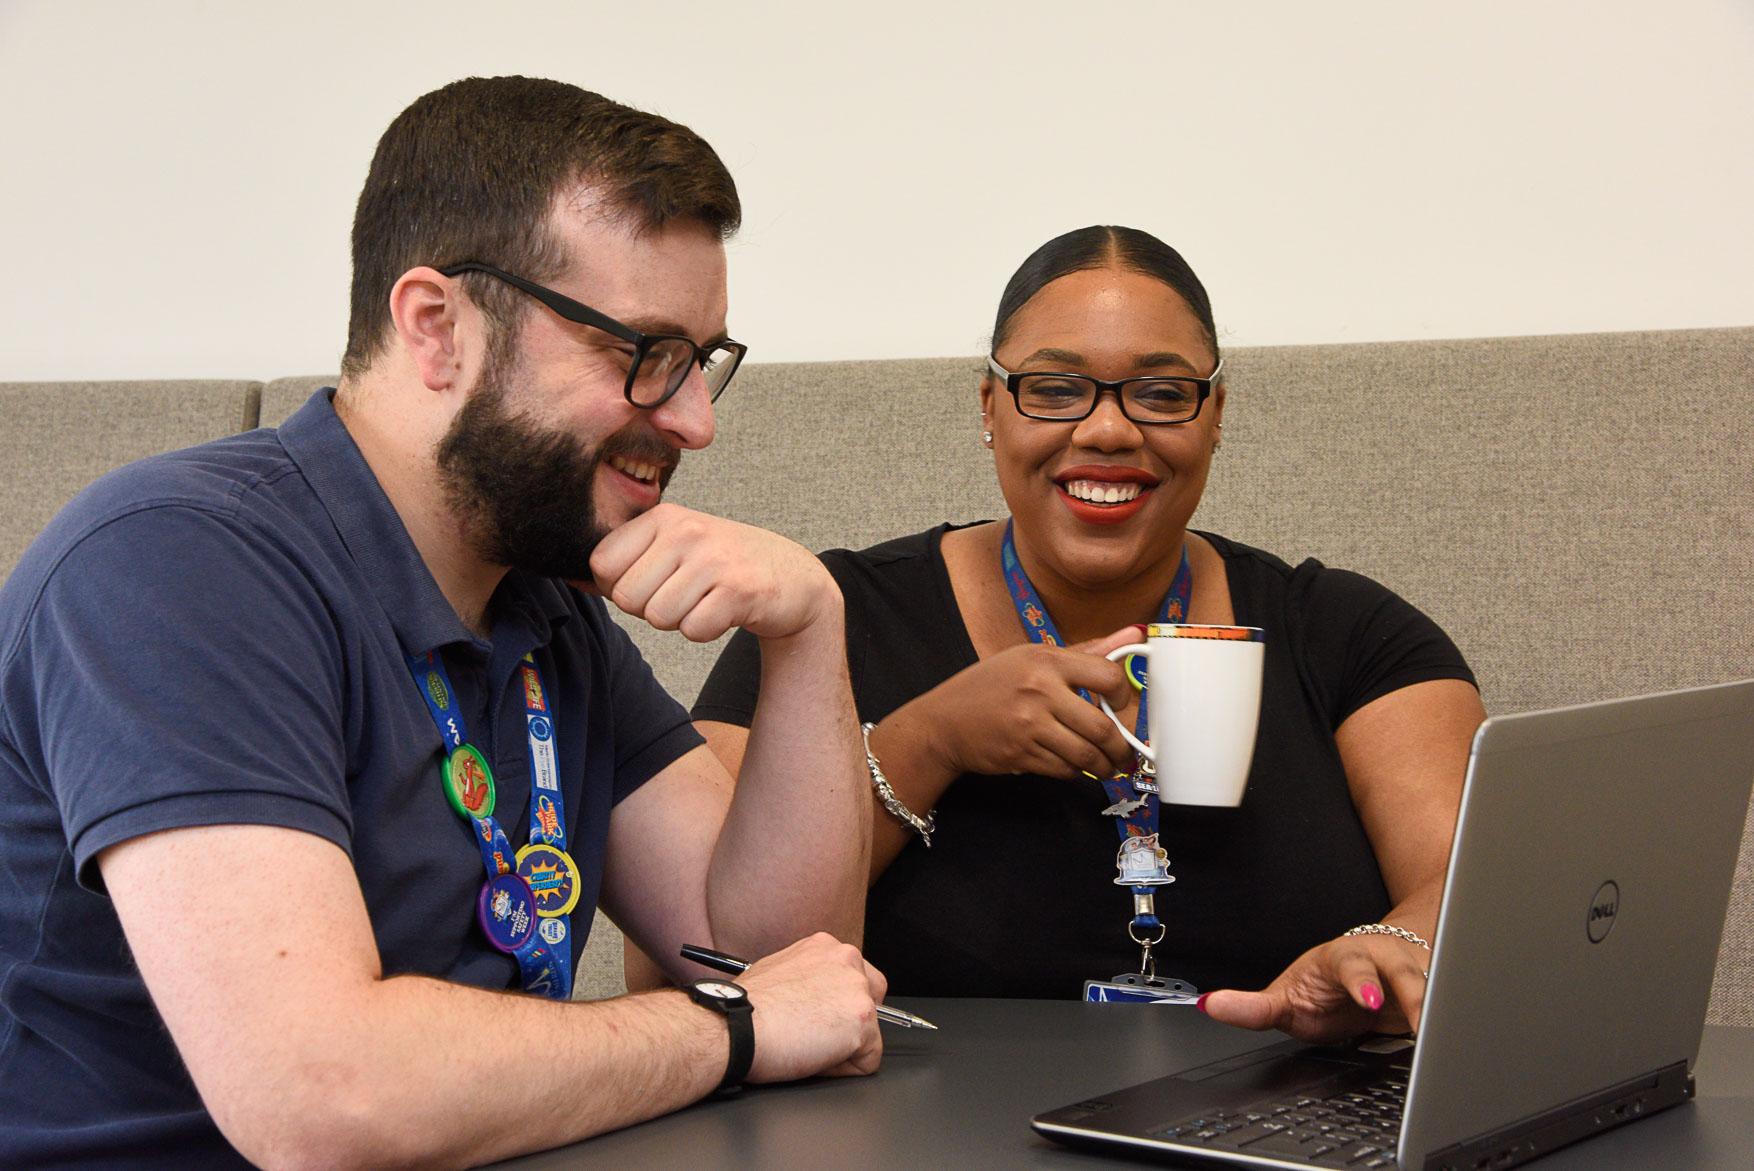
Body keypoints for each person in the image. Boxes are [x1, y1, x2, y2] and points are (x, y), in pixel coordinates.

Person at [0, 76, 885, 1169]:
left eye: (700, 362)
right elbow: (322, 1099)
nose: (694, 421)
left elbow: (776, 957)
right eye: (642, 353)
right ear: (437, 327)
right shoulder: (172, 563)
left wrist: (808, 633)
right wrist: (731, 1030)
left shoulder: (542, 598)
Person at [689, 225, 1486, 1042]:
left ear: (1216, 415)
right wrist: (931, 739)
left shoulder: (1351, 636)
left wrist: (1393, 946)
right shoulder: (826, 623)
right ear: (990, 407)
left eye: (1163, 392)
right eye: (1056, 387)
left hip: (1274, 1128)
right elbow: (692, 955)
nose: (1108, 430)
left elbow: (1480, 883)